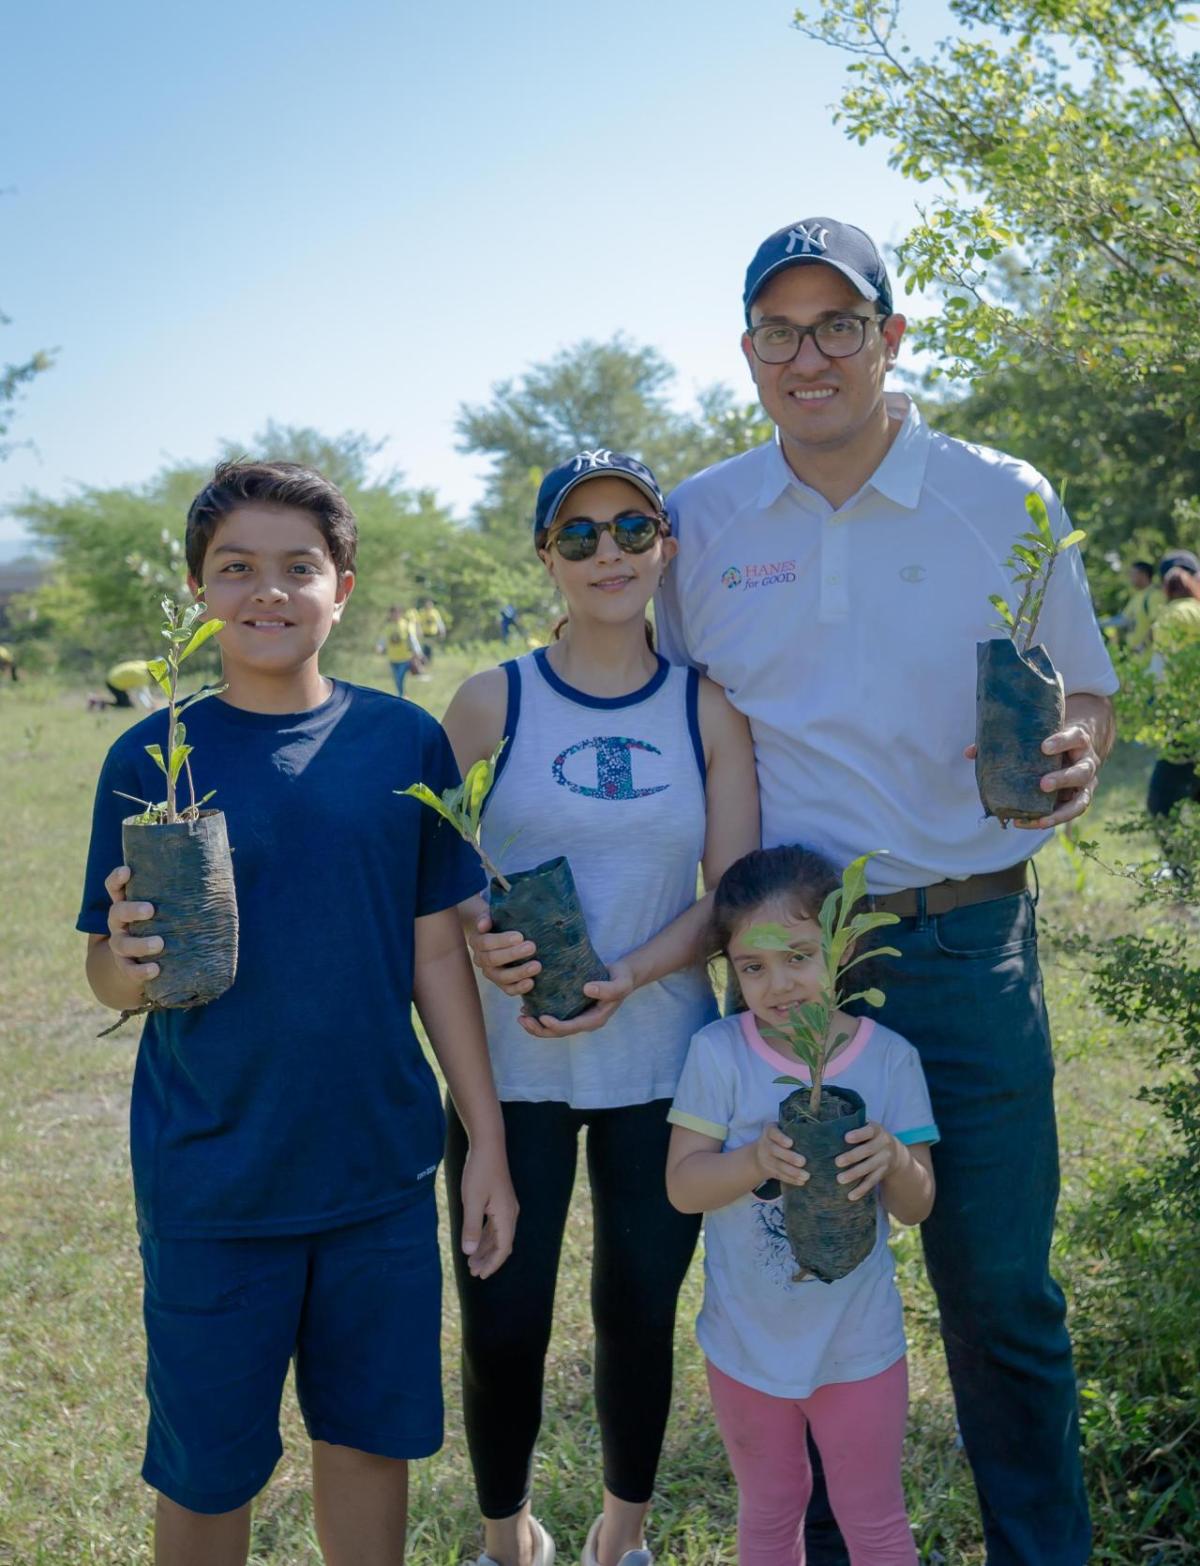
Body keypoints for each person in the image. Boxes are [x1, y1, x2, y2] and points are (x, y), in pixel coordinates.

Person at [655, 217, 1118, 1566]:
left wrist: (1077, 744)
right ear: (749, 352)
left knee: (998, 1292)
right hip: (786, 970)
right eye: (781, 331)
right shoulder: (702, 517)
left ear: (892, 336)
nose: (812, 356)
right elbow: (667, 709)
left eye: (840, 323)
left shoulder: (1002, 494)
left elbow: (1081, 677)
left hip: (965, 934)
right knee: (796, 1281)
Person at [77, 460, 516, 1566]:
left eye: (298, 568)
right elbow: (106, 969)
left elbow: (433, 952)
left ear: (344, 588)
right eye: (236, 569)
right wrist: (128, 964)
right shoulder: (149, 756)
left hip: (375, 1171)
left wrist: (487, 1144)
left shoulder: (400, 742)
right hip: (213, 1174)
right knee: (210, 1461)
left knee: (371, 1441)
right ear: (198, 590)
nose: (268, 592)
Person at [440, 448, 760, 1566]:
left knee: (638, 1311)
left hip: (663, 1068)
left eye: (631, 530)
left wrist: (633, 972)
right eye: (578, 535)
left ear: (663, 547)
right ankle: (504, 1537)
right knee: (503, 1317)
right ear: (546, 557)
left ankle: (619, 1536)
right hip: (512, 1073)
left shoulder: (704, 708)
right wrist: (484, 934)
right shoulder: (493, 701)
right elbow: (430, 878)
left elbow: (729, 894)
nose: (608, 553)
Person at [667, 844, 936, 1566]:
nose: (778, 984)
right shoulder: (719, 1054)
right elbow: (682, 1184)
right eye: (752, 968)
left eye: (798, 956)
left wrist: (895, 1160)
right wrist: (753, 1160)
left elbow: (917, 1204)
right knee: (769, 1511)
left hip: (859, 1347)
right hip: (746, 1346)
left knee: (874, 1519)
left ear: (841, 950)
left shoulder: (888, 1059)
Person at [1145, 565, 1200, 824]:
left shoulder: (1168, 615)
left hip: (1181, 711)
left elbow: (1160, 666)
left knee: (1161, 799)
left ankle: (1177, 858)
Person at [379, 603, 424, 697]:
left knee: (400, 678)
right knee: (396, 679)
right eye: (393, 613)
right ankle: (403, 694)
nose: (395, 615)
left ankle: (401, 695)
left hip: (404, 658)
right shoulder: (388, 626)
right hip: (392, 658)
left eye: (397, 613)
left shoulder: (406, 625)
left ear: (400, 614)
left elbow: (412, 639)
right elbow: (383, 639)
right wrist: (380, 646)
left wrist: (418, 652)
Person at [87, 658, 157, 710]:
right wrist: (150, 705)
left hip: (112, 675)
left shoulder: (144, 664)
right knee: (127, 705)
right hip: (114, 682)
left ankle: (98, 701)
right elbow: (142, 693)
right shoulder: (144, 676)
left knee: (126, 701)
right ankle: (97, 701)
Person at [417, 594, 448, 661]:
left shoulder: (435, 612)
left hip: (432, 634)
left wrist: (442, 631)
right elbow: (419, 623)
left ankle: (428, 659)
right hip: (425, 633)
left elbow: (439, 622)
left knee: (429, 647)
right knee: (425, 647)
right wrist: (419, 631)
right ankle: (425, 660)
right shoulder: (422, 612)